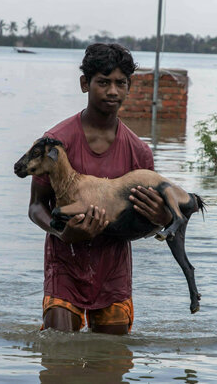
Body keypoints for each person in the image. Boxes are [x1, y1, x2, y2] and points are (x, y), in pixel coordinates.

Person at [27, 43, 172, 335]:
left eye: (121, 83)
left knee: (111, 364)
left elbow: (144, 222)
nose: (112, 91)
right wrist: (62, 232)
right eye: (103, 82)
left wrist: (160, 218)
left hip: (113, 274)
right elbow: (35, 207)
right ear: (85, 84)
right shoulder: (56, 142)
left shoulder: (139, 153)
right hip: (64, 265)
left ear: (129, 88)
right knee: (60, 355)